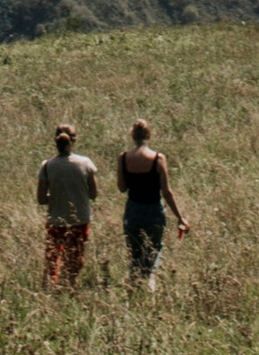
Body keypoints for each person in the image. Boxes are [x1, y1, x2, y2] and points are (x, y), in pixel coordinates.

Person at [115, 119, 187, 287]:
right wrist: (180, 217)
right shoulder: (158, 158)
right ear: (149, 135)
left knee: (135, 254)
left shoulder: (123, 158)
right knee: (153, 252)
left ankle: (134, 289)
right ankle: (150, 286)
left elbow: (121, 187)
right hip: (154, 210)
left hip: (133, 210)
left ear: (132, 136)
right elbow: (167, 192)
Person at [35, 119, 100, 287]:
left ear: (55, 140)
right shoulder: (85, 163)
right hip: (79, 219)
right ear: (74, 140)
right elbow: (93, 194)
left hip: (56, 220)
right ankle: (68, 285)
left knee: (52, 258)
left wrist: (56, 196)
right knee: (75, 259)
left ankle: (51, 287)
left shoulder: (47, 165)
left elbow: (41, 199)